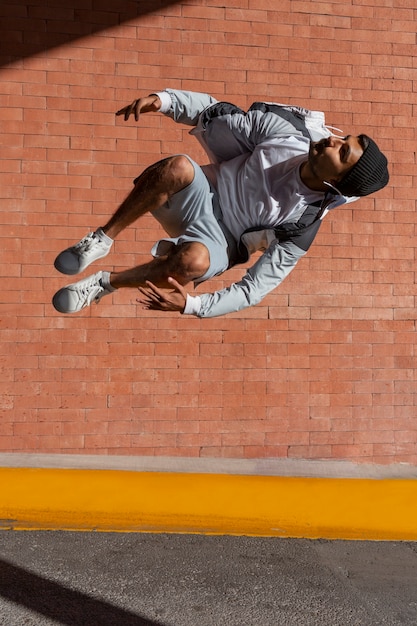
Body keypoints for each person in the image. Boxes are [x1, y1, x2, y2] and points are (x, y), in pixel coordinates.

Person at [52, 89, 389, 318]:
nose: (333, 140)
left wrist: (194, 305)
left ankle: (102, 284)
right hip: (199, 193)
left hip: (221, 239)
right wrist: (166, 101)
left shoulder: (302, 224)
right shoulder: (288, 134)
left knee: (194, 262)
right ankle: (101, 240)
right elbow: (217, 113)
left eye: (342, 151)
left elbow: (254, 289)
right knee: (180, 166)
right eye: (344, 138)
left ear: (337, 182)